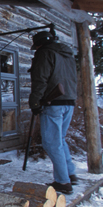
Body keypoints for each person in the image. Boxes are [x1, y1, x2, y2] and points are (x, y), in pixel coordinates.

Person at [29, 31, 78, 194]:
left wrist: (35, 102)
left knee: (51, 142)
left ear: (39, 44)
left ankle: (63, 182)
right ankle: (70, 173)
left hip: (53, 102)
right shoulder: (67, 55)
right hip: (68, 102)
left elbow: (40, 79)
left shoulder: (44, 53)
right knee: (60, 140)